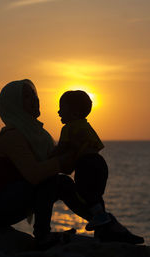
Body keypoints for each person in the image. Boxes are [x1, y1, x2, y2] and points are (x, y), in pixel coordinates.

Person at [0, 79, 72, 249]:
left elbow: (54, 166)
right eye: (26, 97)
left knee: (63, 183)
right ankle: (42, 235)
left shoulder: (39, 135)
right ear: (14, 104)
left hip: (10, 198)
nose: (35, 99)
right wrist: (62, 160)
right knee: (51, 181)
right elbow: (36, 174)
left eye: (34, 95)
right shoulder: (12, 136)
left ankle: (100, 221)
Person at [52, 90, 144, 244]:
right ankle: (104, 229)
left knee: (84, 193)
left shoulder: (68, 128)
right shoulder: (86, 126)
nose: (58, 111)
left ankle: (102, 219)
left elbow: (62, 148)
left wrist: (50, 154)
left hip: (86, 164)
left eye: (62, 108)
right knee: (95, 194)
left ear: (73, 113)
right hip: (99, 163)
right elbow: (95, 145)